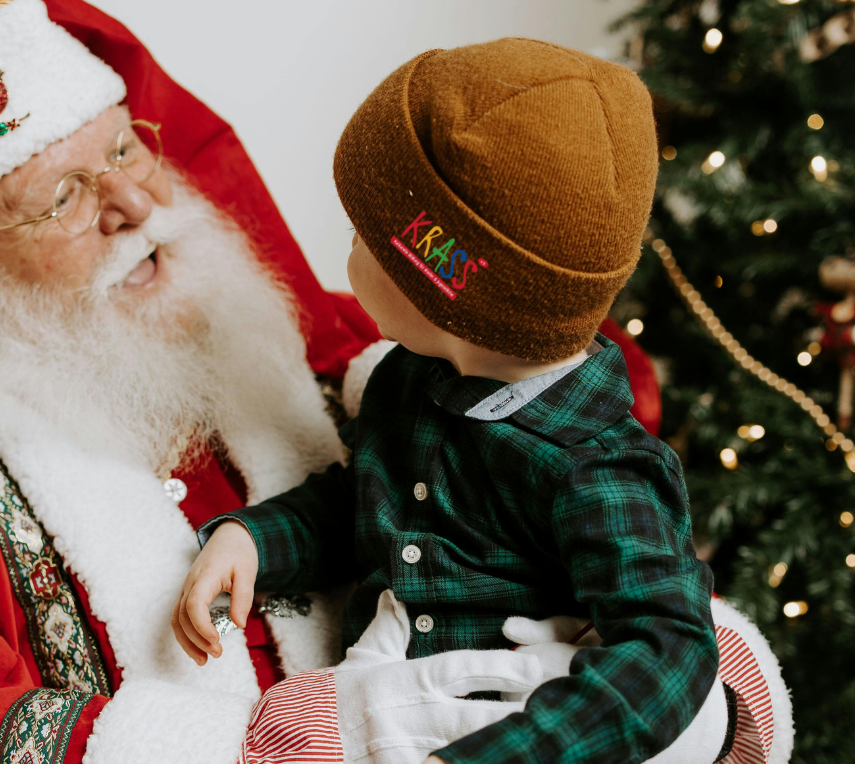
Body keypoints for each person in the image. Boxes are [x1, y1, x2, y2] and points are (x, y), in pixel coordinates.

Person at [0, 0, 648, 764]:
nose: (137, 202)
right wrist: (276, 753)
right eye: (63, 197)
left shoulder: (314, 337)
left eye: (122, 149)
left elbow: (550, 486)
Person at [175, 40, 791, 764]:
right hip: (390, 689)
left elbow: (665, 654)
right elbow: (365, 505)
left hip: (525, 723)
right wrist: (253, 539)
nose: (346, 249)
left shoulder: (598, 467)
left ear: (438, 279)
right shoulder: (408, 381)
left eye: (362, 236)